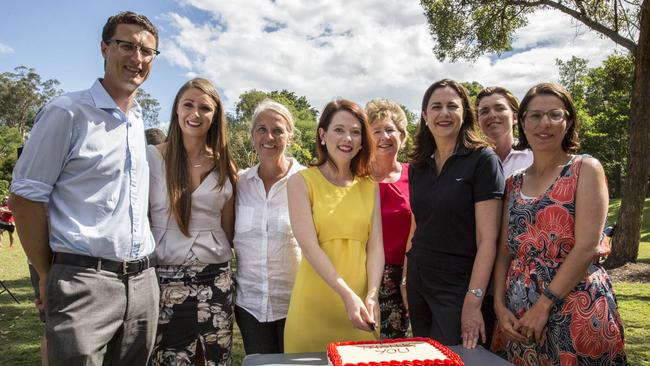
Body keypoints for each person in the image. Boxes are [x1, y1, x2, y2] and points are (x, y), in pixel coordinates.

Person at [10, 11, 160, 366]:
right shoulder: (68, 112)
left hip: (143, 285)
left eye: (147, 51)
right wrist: (48, 273)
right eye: (127, 46)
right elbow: (26, 198)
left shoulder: (137, 119)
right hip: (83, 283)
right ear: (105, 48)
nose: (137, 58)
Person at [491, 83, 626, 365]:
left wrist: (544, 305)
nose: (545, 123)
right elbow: (505, 250)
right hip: (518, 319)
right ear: (523, 123)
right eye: (535, 115)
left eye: (555, 114)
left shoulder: (584, 169)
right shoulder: (513, 183)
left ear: (568, 121)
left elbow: (587, 246)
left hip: (575, 308)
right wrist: (499, 305)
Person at [406, 79, 504, 349]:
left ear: (465, 113)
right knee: (424, 355)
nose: (444, 113)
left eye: (452, 106)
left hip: (458, 285)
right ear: (425, 116)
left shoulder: (483, 160)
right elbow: (417, 226)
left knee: (455, 355)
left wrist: (473, 300)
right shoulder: (418, 165)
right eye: (436, 107)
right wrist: (406, 278)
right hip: (418, 279)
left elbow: (488, 239)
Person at [148, 78, 238, 365]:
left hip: (215, 277)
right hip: (164, 277)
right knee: (167, 358)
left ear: (215, 117)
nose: (195, 113)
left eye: (205, 108)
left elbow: (228, 227)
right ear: (176, 109)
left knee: (210, 357)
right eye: (188, 104)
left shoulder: (224, 165)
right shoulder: (151, 158)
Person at [284, 99, 384, 352]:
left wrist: (371, 293)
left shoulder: (370, 186)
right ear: (322, 134)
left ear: (362, 141)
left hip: (361, 310)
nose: (347, 138)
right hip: (314, 306)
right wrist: (347, 296)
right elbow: (309, 247)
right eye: (339, 129)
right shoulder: (300, 182)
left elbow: (376, 247)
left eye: (355, 131)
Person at [234, 100, 305, 354]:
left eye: (278, 130)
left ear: (290, 136)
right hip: (250, 306)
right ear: (253, 135)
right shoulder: (239, 184)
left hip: (297, 305)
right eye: (261, 129)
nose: (269, 137)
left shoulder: (307, 182)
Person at [365, 99, 411, 339]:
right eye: (376, 131)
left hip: (403, 275)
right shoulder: (357, 178)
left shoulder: (416, 175)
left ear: (401, 136)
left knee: (394, 348)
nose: (384, 136)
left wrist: (406, 277)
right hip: (362, 273)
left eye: (390, 129)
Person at [476, 87, 533, 177]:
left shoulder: (533, 157)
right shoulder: (471, 160)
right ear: (478, 121)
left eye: (500, 108)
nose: (492, 115)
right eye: (484, 111)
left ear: (515, 117)